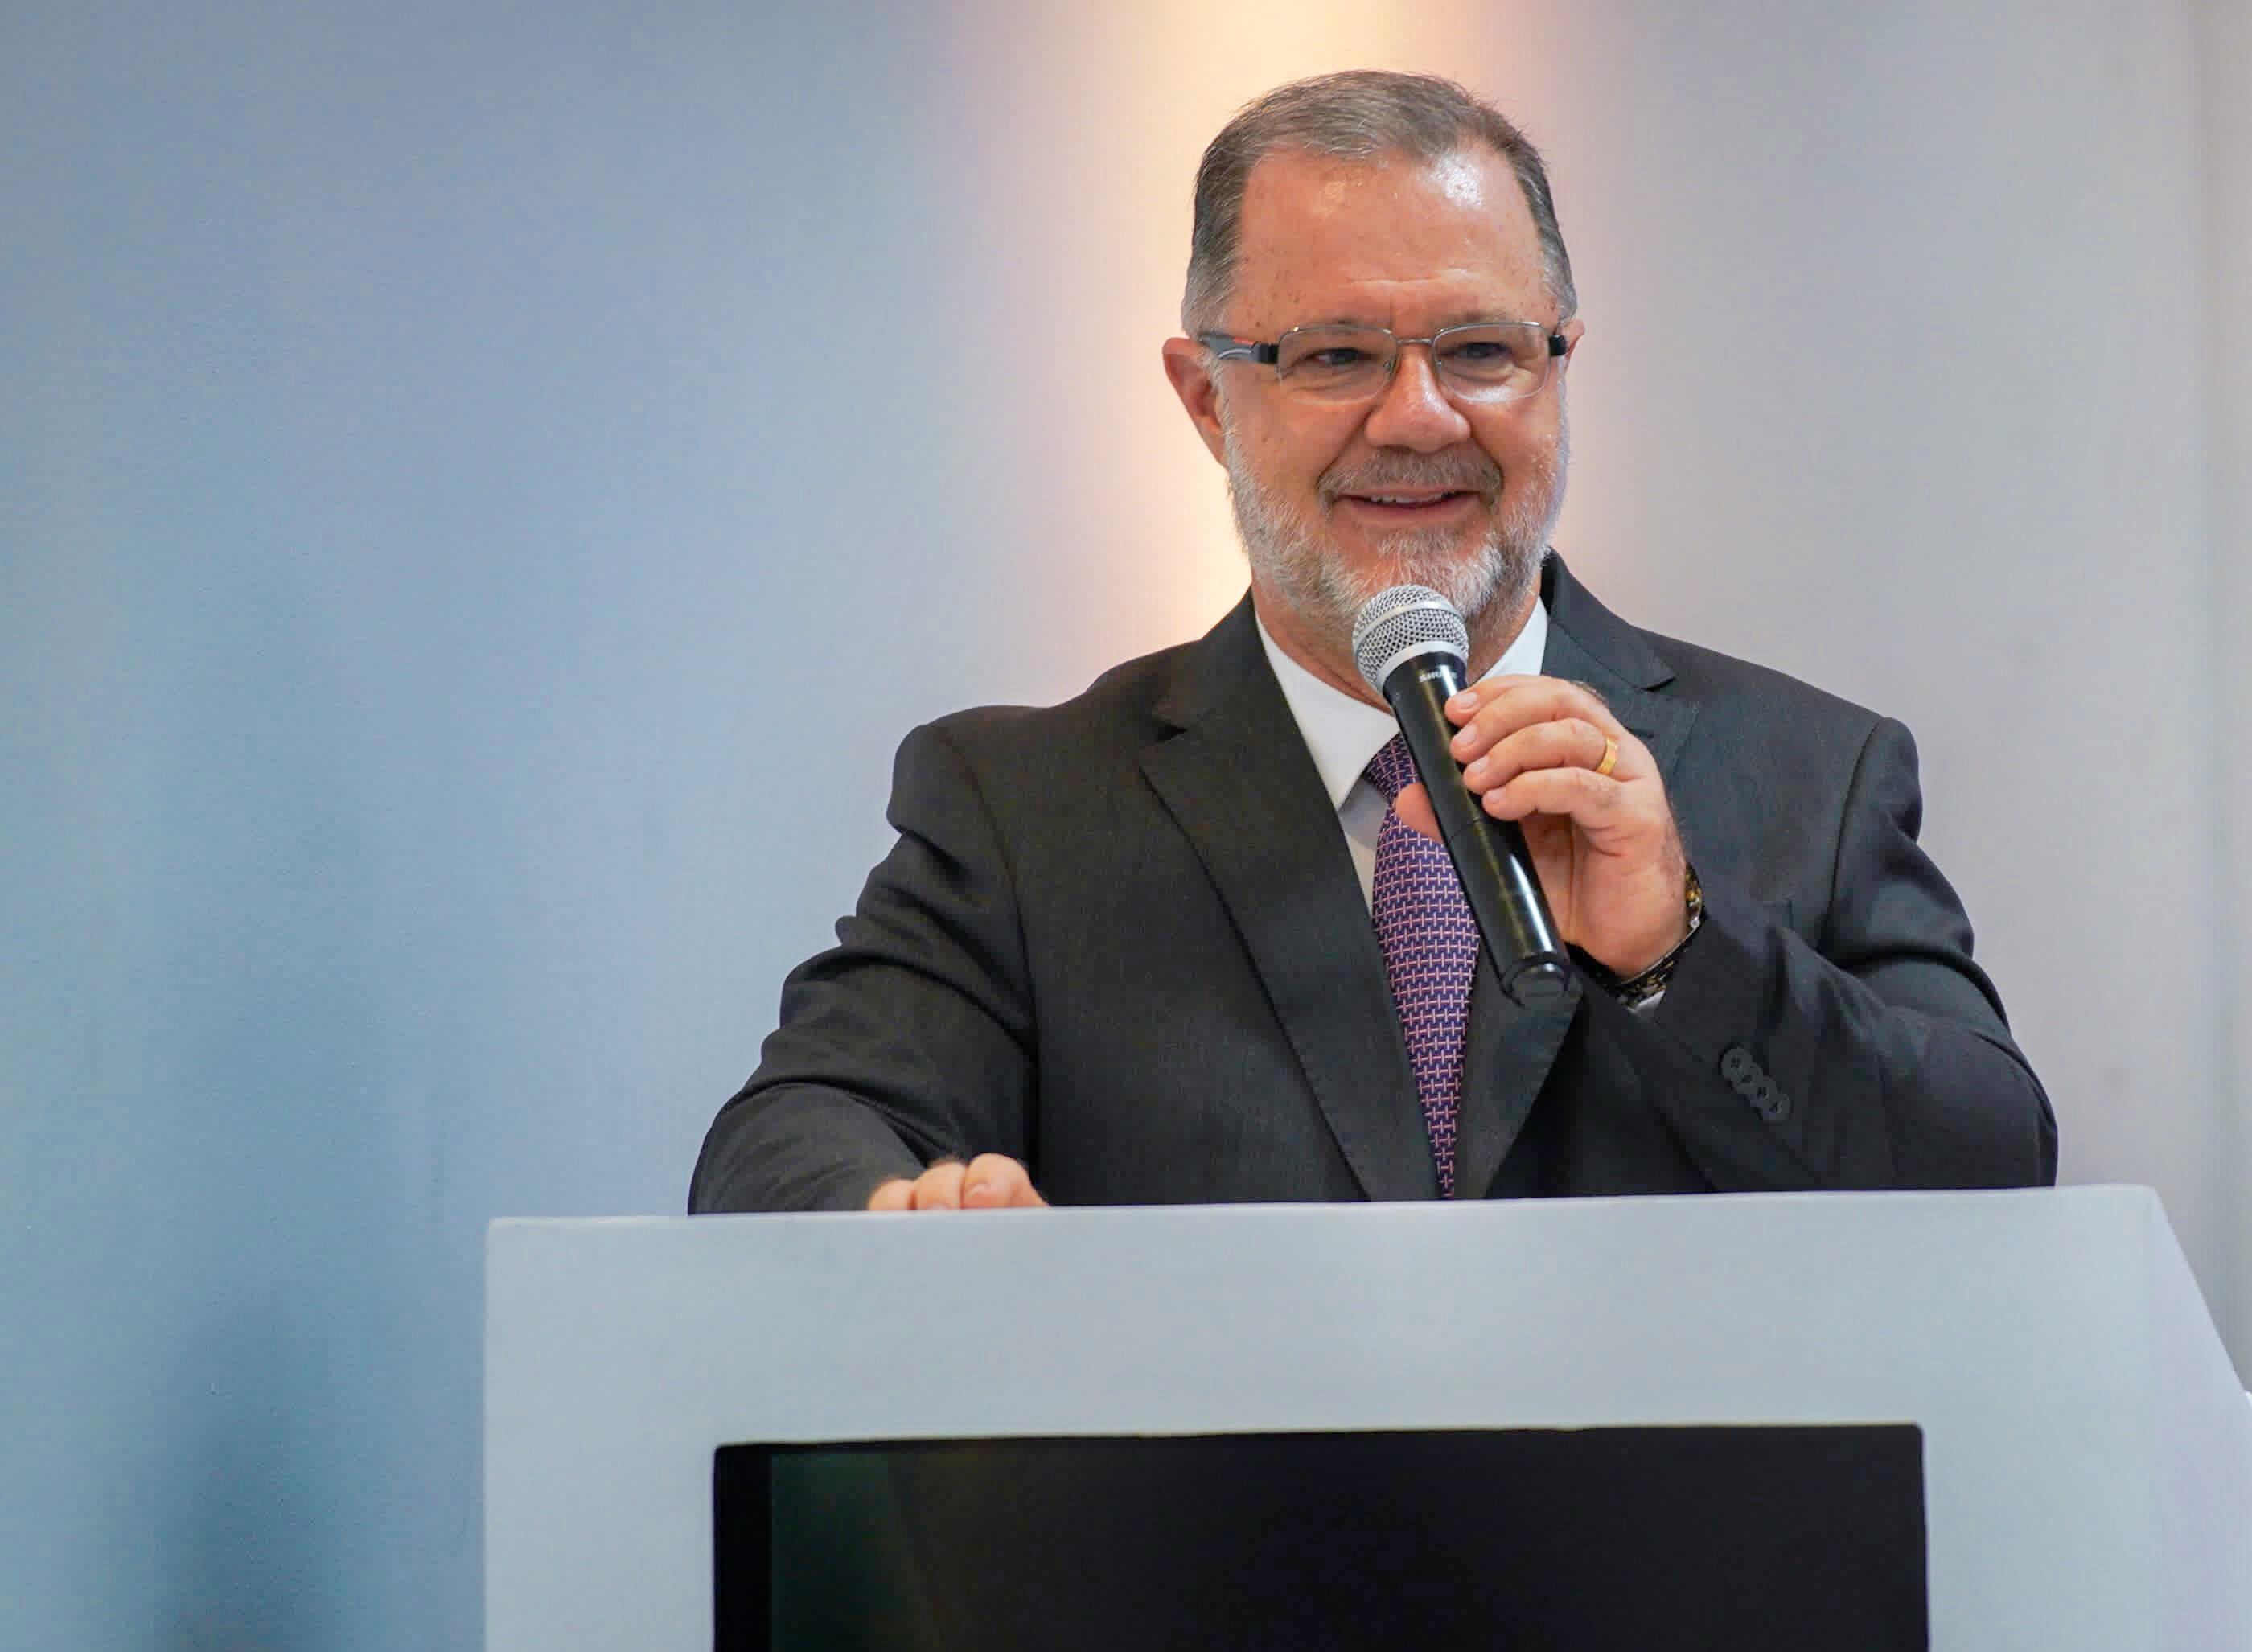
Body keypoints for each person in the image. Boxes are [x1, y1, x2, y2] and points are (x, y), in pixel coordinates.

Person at [691, 72, 2053, 1214]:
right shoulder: (1027, 811)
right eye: (1335, 356)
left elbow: (1990, 1174)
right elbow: (788, 1140)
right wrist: (901, 1225)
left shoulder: (1807, 772)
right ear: (1207, 400)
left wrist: (1681, 958)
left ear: (1560, 366)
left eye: (1478, 349)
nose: (1418, 418)